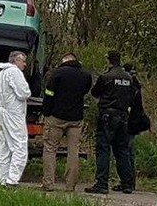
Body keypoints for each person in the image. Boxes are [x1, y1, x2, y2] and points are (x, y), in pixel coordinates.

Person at [41, 53, 94, 192]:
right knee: (73, 151)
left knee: (50, 149)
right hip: (76, 118)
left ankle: (48, 183)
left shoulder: (57, 74)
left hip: (56, 117)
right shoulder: (85, 76)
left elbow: (49, 94)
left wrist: (46, 111)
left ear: (64, 61)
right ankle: (70, 186)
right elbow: (85, 91)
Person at [84, 50, 135, 195]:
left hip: (108, 115)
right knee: (123, 150)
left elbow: (95, 92)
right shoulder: (128, 78)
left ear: (108, 60)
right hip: (124, 116)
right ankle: (127, 184)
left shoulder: (106, 77)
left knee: (103, 149)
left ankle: (102, 183)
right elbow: (132, 96)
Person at [0, 50, 32, 187]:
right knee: (20, 146)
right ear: (16, 60)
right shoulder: (15, 72)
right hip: (14, 114)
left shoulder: (2, 73)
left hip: (2, 111)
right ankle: (12, 180)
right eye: (23, 61)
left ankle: (3, 179)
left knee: (5, 148)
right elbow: (24, 93)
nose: (25, 64)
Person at [122, 62, 150, 192]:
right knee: (129, 151)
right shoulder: (137, 85)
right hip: (136, 122)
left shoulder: (130, 86)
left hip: (129, 122)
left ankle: (127, 181)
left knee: (126, 151)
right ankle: (130, 181)